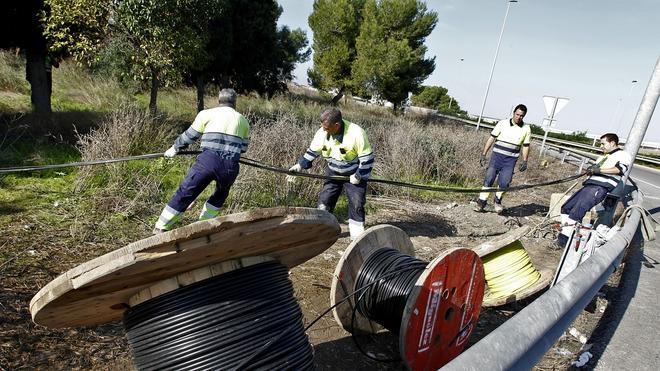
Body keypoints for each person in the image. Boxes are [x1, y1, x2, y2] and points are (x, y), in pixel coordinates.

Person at [153, 88, 249, 233]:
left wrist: (175, 147)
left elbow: (190, 136)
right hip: (230, 167)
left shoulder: (206, 114)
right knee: (220, 195)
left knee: (186, 192)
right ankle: (203, 226)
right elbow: (243, 148)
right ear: (234, 102)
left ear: (219, 100)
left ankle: (161, 227)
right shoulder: (243, 120)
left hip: (208, 161)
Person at [288, 107, 375, 240]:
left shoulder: (356, 133)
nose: (323, 130)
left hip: (353, 174)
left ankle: (356, 237)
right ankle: (321, 232)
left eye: (326, 128)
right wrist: (300, 165)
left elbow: (367, 159)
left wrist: (359, 176)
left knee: (356, 204)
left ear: (337, 125)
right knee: (324, 201)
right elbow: (313, 151)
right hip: (333, 172)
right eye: (322, 127)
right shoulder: (322, 131)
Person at [556, 133, 632, 247]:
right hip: (589, 186)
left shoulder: (622, 155)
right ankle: (569, 235)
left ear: (612, 143)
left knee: (576, 213)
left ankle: (563, 243)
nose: (601, 146)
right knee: (566, 208)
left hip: (599, 188)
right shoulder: (603, 157)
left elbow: (619, 170)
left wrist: (599, 170)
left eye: (603, 143)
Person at [474, 104, 531, 213]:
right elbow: (491, 138)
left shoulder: (526, 128)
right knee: (489, 179)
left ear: (524, 116)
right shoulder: (502, 123)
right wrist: (484, 154)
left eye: (522, 116)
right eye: (517, 114)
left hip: (510, 161)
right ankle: (481, 203)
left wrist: (525, 160)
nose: (519, 117)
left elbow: (526, 146)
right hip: (496, 157)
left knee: (505, 182)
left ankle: (497, 202)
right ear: (513, 113)